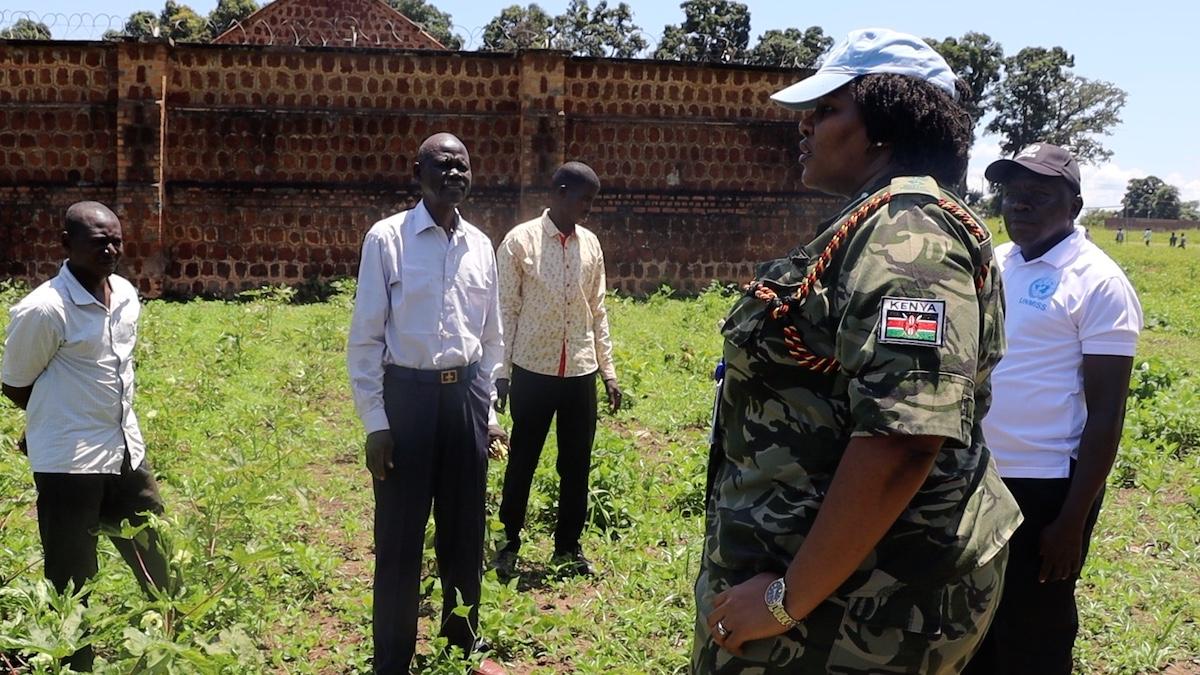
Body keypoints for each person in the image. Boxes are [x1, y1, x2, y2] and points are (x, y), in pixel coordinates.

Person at [692, 29, 1021, 674]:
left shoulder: (909, 236)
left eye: (826, 110)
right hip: (835, 585)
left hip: (857, 609)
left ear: (882, 127)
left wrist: (788, 601)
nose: (805, 128)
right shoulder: (874, 223)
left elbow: (905, 437)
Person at [964, 143, 1143, 675]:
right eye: (1012, 195)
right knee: (973, 617)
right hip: (979, 474)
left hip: (1046, 484)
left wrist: (1071, 520)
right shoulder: (995, 263)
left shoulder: (1098, 282)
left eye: (1038, 195)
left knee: (1034, 626)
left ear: (1075, 205)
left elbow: (1107, 412)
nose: (1019, 206)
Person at [346, 132, 507, 675]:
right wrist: (376, 422)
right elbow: (365, 338)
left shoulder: (481, 245)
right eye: (443, 164)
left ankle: (460, 645)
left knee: (465, 531)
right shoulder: (387, 239)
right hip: (406, 401)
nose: (455, 173)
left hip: (465, 398)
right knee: (399, 537)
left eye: (463, 164)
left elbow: (492, 339)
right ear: (417, 171)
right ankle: (392, 658)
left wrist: (489, 414)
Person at [1, 201, 169, 672]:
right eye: (100, 242)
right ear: (66, 244)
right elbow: (15, 382)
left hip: (124, 451)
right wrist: (50, 422)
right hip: (69, 465)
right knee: (73, 580)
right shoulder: (44, 309)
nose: (112, 249)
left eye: (117, 239)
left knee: (156, 552)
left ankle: (171, 646)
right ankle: (77, 665)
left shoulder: (127, 295)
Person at [492, 162, 622, 580]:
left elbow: (597, 312)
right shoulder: (520, 242)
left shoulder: (591, 245)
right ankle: (507, 541)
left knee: (576, 464)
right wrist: (502, 372)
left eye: (592, 201)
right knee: (523, 460)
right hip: (533, 369)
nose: (588, 208)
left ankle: (568, 546)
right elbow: (505, 312)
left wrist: (608, 371)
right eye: (584, 198)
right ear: (560, 192)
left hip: (580, 371)